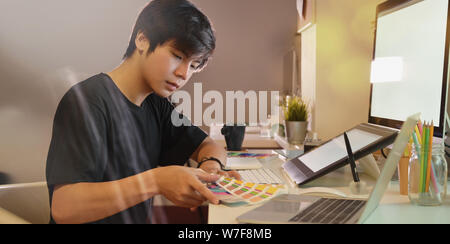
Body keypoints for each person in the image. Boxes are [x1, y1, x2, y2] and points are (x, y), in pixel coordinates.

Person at [46, 0, 240, 224]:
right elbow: (64, 208)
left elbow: (208, 145)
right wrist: (155, 181)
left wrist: (210, 170)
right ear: (142, 39)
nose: (183, 73)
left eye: (194, 65)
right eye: (177, 56)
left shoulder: (156, 104)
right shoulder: (87, 101)